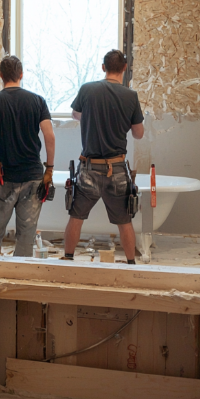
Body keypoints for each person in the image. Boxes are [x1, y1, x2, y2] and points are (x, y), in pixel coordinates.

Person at [63, 49, 145, 264]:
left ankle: (68, 258)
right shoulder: (130, 96)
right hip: (117, 168)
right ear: (125, 68)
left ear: (103, 67)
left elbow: (75, 114)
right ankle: (130, 264)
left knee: (76, 217)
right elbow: (139, 134)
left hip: (89, 168)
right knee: (124, 222)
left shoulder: (88, 90)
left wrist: (92, 117)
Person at [0, 55, 56, 257]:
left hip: (5, 178)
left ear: (1, 76)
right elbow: (50, 136)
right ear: (21, 75)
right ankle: (19, 276)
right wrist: (49, 169)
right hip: (33, 177)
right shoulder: (38, 101)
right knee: (26, 236)